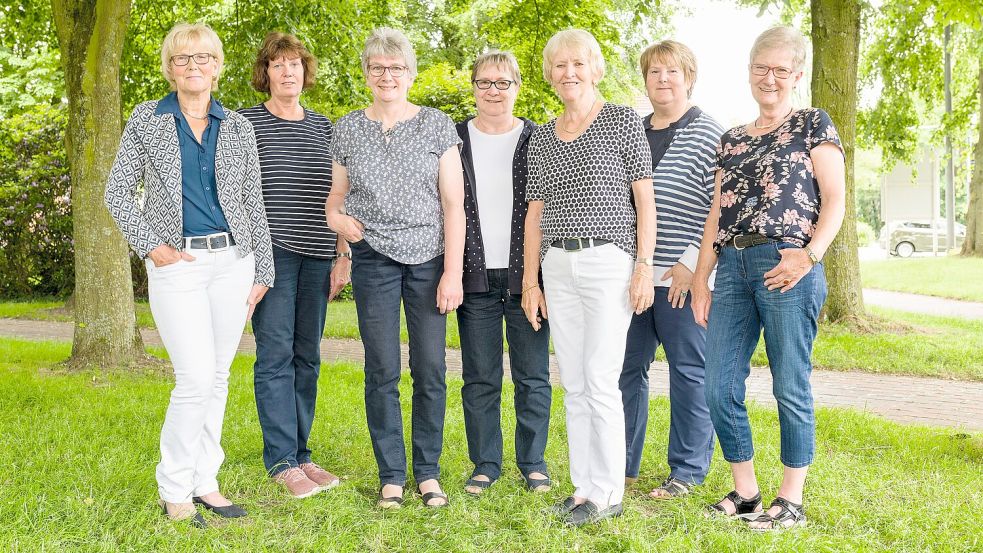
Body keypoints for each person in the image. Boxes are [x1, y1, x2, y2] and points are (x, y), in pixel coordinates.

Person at [105, 22, 274, 527]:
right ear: (170, 68)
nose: (193, 66)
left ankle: (206, 481)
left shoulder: (239, 127)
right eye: (182, 59)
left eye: (203, 58)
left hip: (233, 263)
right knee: (194, 378)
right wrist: (151, 246)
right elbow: (118, 192)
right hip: (179, 264)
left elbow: (252, 201)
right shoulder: (147, 119)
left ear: (218, 67)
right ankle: (174, 487)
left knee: (218, 377)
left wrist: (261, 268)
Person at [691, 26, 846, 531]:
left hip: (786, 266)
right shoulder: (732, 138)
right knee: (717, 385)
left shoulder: (812, 124)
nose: (771, 78)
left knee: (789, 385)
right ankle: (747, 491)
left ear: (797, 75)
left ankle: (792, 499)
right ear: (749, 72)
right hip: (732, 269)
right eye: (763, 68)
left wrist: (810, 255)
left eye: (782, 69)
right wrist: (700, 277)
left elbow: (836, 199)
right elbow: (717, 211)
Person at [326, 27, 465, 509]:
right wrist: (340, 224)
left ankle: (427, 474)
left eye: (396, 67)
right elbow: (334, 202)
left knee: (430, 369)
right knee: (382, 368)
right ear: (366, 73)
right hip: (373, 262)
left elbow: (454, 206)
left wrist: (452, 273)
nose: (387, 75)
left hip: (429, 261)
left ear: (410, 74)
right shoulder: (345, 130)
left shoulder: (437, 125)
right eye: (377, 67)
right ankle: (391, 475)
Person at [522, 28, 655, 527]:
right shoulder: (543, 135)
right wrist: (530, 282)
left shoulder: (622, 121)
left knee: (600, 379)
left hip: (608, 262)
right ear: (550, 75)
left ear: (595, 69)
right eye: (559, 65)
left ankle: (608, 491)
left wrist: (644, 266)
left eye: (578, 63)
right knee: (573, 382)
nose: (569, 72)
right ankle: (583, 489)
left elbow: (645, 202)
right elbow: (534, 214)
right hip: (557, 264)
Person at [239, 32, 350, 499]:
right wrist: (250, 261)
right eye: (279, 64)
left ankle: (302, 454)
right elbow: (235, 193)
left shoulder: (325, 127)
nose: (289, 72)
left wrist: (342, 254)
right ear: (265, 73)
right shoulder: (245, 124)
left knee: (308, 356)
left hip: (319, 255)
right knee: (275, 356)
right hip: (273, 256)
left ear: (306, 72)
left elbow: (343, 194)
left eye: (296, 64)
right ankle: (281, 460)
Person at [620, 40, 724, 499]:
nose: (663, 79)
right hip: (634, 277)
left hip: (682, 279)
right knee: (626, 371)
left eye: (672, 72)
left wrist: (690, 267)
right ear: (644, 79)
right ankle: (621, 465)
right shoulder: (631, 132)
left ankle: (686, 471)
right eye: (654, 72)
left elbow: (719, 209)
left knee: (688, 372)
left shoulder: (710, 135)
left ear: (689, 77)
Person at [455, 50, 552, 496]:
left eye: (503, 83)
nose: (493, 91)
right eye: (485, 82)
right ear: (473, 86)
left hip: (527, 278)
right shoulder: (454, 139)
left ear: (517, 88)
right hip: (473, 276)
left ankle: (533, 462)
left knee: (532, 376)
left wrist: (535, 278)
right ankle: (485, 463)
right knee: (480, 376)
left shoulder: (540, 138)